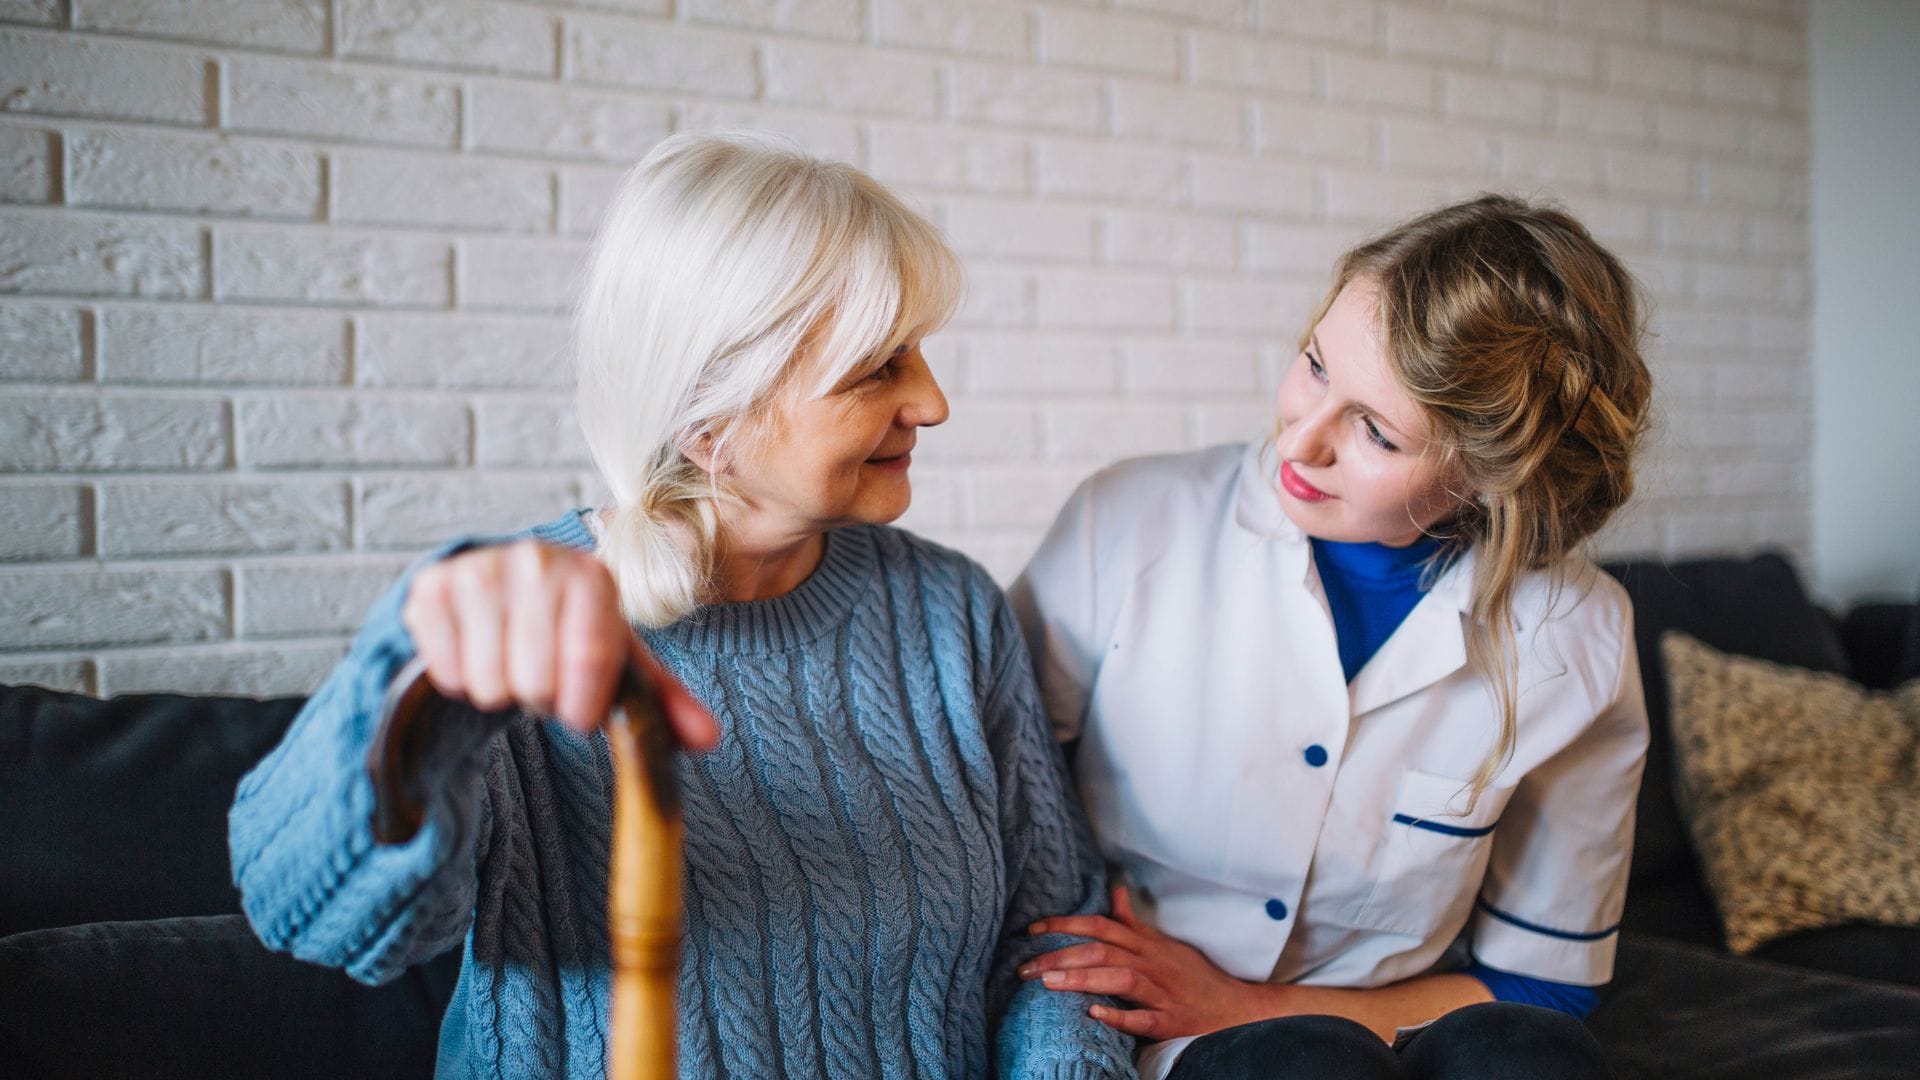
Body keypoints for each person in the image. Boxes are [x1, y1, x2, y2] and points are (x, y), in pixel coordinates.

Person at [230, 133, 1135, 1080]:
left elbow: (1057, 956)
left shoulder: (951, 612)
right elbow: (317, 923)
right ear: (708, 419)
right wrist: (423, 677)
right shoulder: (527, 629)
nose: (934, 402)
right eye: (880, 365)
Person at [1009, 195, 1654, 1080]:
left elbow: (1545, 984)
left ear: (1490, 476)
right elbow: (989, 802)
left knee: (1533, 1061)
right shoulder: (1125, 524)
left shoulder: (1576, 635)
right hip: (1160, 1040)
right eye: (1314, 365)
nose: (1299, 440)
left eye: (1377, 431)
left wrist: (1248, 1005)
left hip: (1404, 1029)